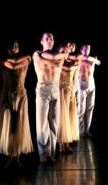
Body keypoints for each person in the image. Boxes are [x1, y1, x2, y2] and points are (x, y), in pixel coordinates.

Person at [0, 40, 33, 168]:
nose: (14, 48)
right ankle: (9, 158)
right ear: (7, 49)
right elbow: (14, 65)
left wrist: (26, 58)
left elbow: (17, 63)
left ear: (19, 48)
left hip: (21, 95)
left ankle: (17, 158)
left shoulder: (26, 61)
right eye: (11, 46)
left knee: (19, 124)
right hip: (7, 95)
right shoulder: (2, 61)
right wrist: (27, 56)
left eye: (16, 46)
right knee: (8, 124)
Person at [33, 32, 67, 162]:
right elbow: (53, 59)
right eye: (47, 38)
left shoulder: (58, 55)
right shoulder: (37, 54)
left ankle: (50, 153)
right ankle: (43, 153)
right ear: (41, 41)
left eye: (51, 37)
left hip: (55, 88)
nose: (50, 39)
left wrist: (62, 55)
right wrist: (62, 55)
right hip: (43, 88)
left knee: (54, 121)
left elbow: (55, 59)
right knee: (42, 122)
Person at [58, 45, 79, 154]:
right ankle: (62, 144)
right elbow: (70, 68)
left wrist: (75, 65)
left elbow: (75, 65)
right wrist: (76, 65)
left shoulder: (70, 62)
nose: (64, 54)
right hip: (62, 91)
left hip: (70, 90)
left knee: (70, 116)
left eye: (65, 52)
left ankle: (67, 143)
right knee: (63, 117)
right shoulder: (59, 63)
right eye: (62, 52)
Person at [78, 44, 100, 137]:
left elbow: (98, 61)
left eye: (88, 49)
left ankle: (87, 130)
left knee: (90, 108)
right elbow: (83, 58)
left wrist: (93, 59)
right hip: (81, 84)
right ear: (81, 50)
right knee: (81, 109)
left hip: (91, 84)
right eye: (84, 49)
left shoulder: (93, 59)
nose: (86, 50)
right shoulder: (79, 58)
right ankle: (81, 131)